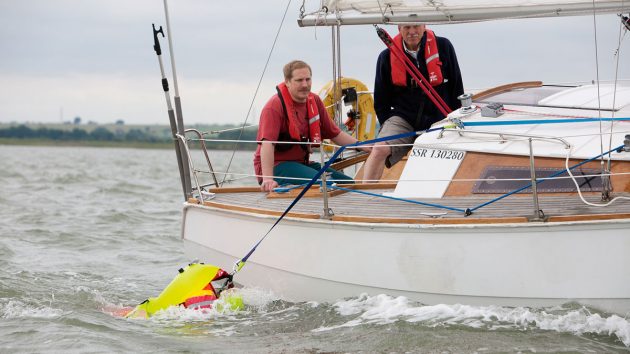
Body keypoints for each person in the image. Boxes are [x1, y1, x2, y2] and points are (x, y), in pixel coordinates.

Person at [363, 24, 464, 182]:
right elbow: (381, 102)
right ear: (399, 28)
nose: (412, 32)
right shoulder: (386, 56)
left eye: (416, 26)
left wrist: (455, 119)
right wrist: (389, 128)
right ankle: (364, 198)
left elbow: (456, 88)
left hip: (439, 119)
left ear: (424, 26)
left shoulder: (444, 47)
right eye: (407, 27)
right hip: (404, 118)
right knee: (379, 149)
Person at [253, 60, 370, 192]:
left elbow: (335, 134)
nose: (305, 85)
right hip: (277, 166)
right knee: (326, 184)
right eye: (299, 80)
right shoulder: (274, 106)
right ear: (287, 82)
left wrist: (363, 145)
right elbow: (267, 144)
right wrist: (268, 178)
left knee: (347, 183)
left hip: (302, 164)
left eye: (308, 79)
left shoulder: (314, 101)